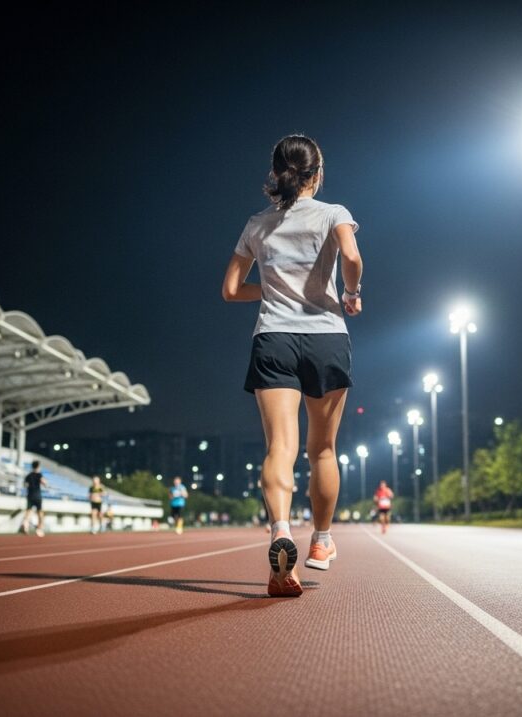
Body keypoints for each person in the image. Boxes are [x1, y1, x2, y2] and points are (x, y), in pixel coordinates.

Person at [222, 134, 363, 597]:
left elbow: (230, 290)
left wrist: (275, 287)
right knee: (321, 450)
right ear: (317, 174)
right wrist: (350, 293)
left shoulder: (256, 224)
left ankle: (280, 530)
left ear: (278, 172)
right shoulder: (333, 213)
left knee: (279, 447)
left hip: (273, 339)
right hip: (326, 338)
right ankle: (321, 541)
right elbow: (352, 257)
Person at [20, 460, 48, 537]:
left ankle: (25, 524)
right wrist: (46, 485)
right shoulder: (39, 475)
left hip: (30, 495)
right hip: (37, 496)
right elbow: (44, 482)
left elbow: (25, 485)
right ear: (38, 466)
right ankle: (39, 529)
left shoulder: (28, 476)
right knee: (40, 513)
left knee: (28, 511)